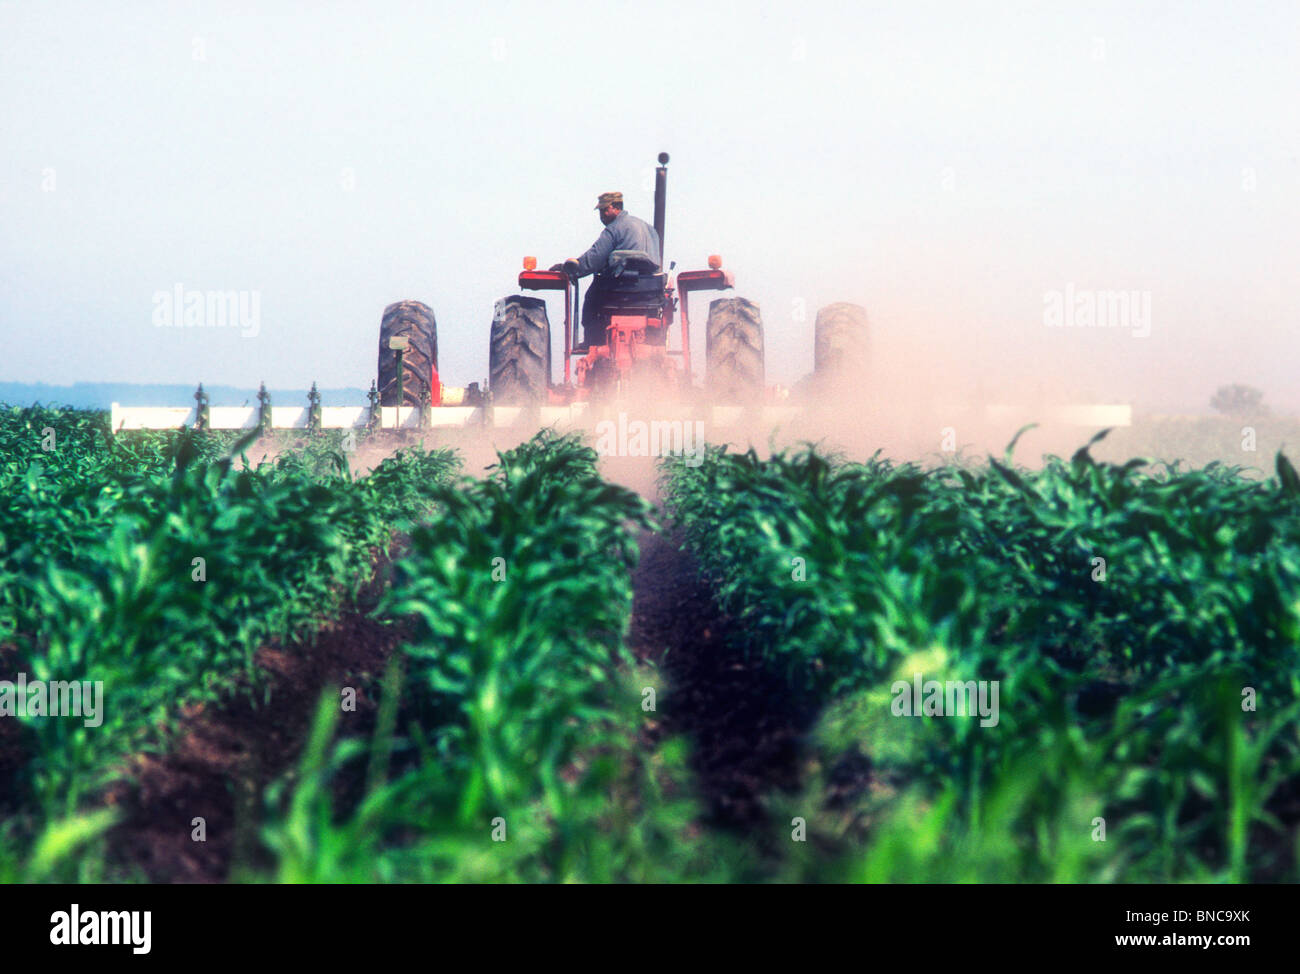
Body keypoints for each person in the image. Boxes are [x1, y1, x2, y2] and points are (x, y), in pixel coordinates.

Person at [554, 192, 662, 346]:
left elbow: (594, 260)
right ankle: (655, 342)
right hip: (649, 296)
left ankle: (592, 341)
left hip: (619, 293)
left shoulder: (614, 229)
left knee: (591, 298)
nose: (602, 215)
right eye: (600, 211)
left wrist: (570, 268)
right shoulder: (650, 229)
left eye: (604, 210)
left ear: (616, 207)